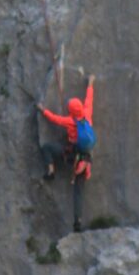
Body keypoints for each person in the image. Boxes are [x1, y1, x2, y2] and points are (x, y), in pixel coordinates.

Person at [38, 74, 95, 233]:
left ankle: (50, 171)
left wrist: (43, 110)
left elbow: (55, 119)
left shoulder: (69, 121)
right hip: (86, 160)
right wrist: (90, 83)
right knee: (78, 192)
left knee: (47, 148)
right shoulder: (87, 115)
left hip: (70, 155)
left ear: (71, 111)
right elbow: (89, 100)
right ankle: (77, 222)